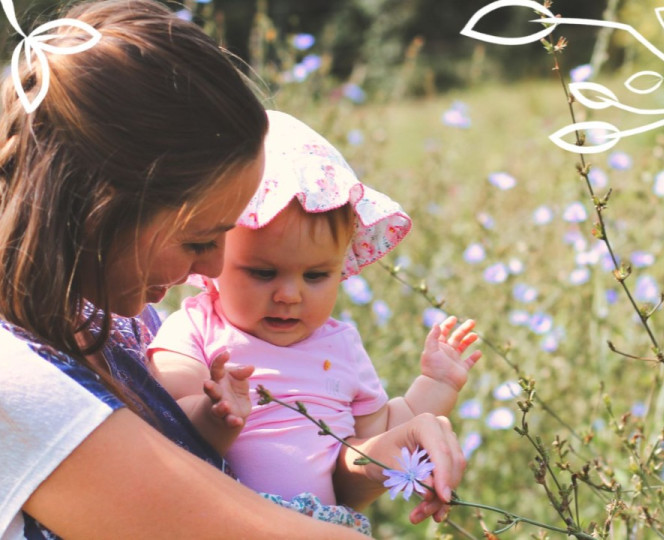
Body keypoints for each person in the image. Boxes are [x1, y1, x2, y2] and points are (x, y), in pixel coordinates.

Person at [0, 2, 465, 539]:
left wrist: (385, 451)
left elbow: (318, 484)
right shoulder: (18, 381)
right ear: (100, 207)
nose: (215, 267)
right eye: (198, 238)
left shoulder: (124, 322)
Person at [148, 110, 482, 534]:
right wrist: (213, 413)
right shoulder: (197, 324)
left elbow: (376, 439)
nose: (290, 294)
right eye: (263, 273)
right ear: (215, 255)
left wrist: (437, 387)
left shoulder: (340, 346)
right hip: (229, 521)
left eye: (316, 275)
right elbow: (167, 414)